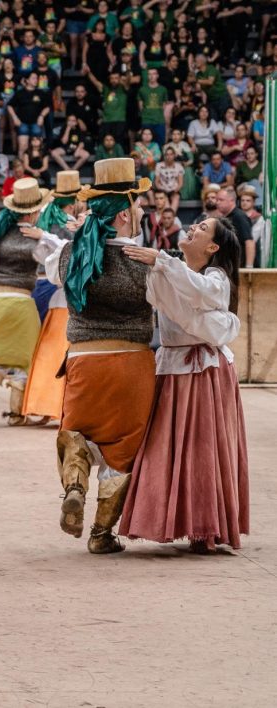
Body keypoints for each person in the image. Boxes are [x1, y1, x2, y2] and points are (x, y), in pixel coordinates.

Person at [45, 158, 157, 555]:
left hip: (83, 360)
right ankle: (100, 534)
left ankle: (74, 485)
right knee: (122, 450)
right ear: (125, 215)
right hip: (132, 365)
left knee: (77, 432)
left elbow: (51, 274)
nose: (145, 210)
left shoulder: (71, 254)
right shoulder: (147, 261)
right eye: (140, 204)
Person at [120, 218, 248, 552]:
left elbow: (203, 303)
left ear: (213, 247)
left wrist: (162, 261)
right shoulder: (169, 272)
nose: (192, 227)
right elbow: (186, 312)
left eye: (202, 227)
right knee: (168, 445)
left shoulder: (214, 277)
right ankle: (175, 520)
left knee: (202, 450)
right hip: (174, 365)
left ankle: (205, 526)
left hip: (204, 371)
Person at [0, 178, 52, 427]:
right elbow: (52, 263)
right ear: (34, 212)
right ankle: (17, 414)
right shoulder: (36, 238)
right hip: (19, 299)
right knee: (26, 357)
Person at [23, 171, 85, 422]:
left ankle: (43, 402)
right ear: (74, 200)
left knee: (48, 347)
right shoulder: (68, 223)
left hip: (43, 285)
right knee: (62, 348)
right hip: (59, 289)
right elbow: (71, 253)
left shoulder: (47, 219)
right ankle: (59, 404)